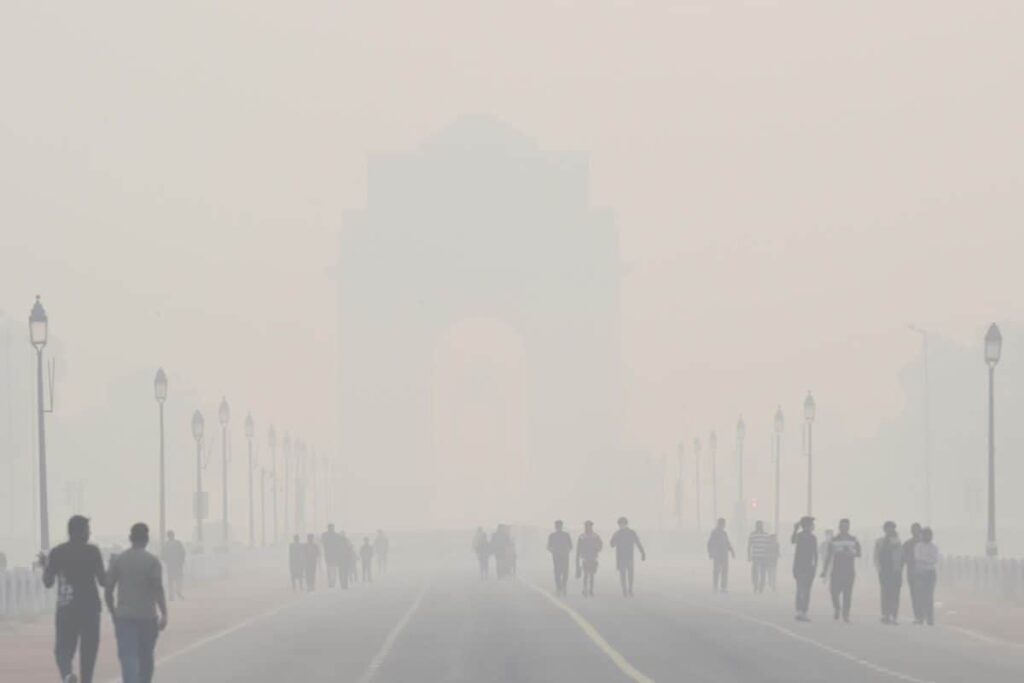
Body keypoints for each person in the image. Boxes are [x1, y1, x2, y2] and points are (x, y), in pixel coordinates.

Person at [40, 515, 106, 683]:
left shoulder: (57, 552)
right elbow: (103, 581)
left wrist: (45, 566)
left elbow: (48, 582)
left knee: (62, 650)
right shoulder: (92, 551)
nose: (89, 533)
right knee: (88, 651)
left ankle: (68, 674)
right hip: (90, 609)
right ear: (81, 532)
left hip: (66, 607)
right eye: (87, 530)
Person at [105, 523, 167, 683]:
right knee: (146, 657)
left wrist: (113, 612)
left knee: (128, 658)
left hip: (124, 617)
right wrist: (164, 613)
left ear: (130, 538)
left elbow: (108, 589)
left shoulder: (119, 560)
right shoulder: (152, 561)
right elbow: (158, 589)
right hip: (147, 616)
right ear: (146, 540)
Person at [820, 518, 861, 622]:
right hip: (836, 570)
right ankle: (837, 607)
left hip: (849, 571)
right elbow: (828, 556)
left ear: (849, 527)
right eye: (842, 526)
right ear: (839, 527)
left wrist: (850, 553)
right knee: (834, 591)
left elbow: (859, 553)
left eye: (846, 526)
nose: (844, 528)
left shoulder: (853, 540)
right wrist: (824, 570)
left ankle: (846, 614)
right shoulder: (834, 540)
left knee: (847, 594)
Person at [874, 521, 904, 624]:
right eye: (888, 528)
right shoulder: (880, 541)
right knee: (885, 592)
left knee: (895, 593)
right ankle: (885, 614)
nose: (890, 530)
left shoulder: (897, 541)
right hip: (884, 570)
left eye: (892, 528)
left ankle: (893, 615)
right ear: (884, 529)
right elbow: (876, 556)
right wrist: (879, 569)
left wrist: (899, 569)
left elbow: (900, 556)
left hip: (895, 570)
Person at [609, 516, 646, 597]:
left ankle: (627, 589)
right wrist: (642, 553)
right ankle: (627, 589)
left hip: (624, 557)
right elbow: (638, 543)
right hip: (626, 557)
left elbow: (611, 544)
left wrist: (642, 553)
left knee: (625, 574)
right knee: (628, 574)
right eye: (620, 524)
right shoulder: (630, 532)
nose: (621, 525)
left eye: (621, 524)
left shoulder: (619, 533)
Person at [791, 516, 817, 621]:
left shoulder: (813, 538)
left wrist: (815, 566)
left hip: (809, 567)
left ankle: (804, 611)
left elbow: (815, 554)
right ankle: (799, 610)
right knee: (801, 589)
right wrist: (795, 529)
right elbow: (792, 541)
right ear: (806, 526)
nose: (812, 526)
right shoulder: (800, 536)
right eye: (811, 524)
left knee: (807, 590)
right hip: (799, 566)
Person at [913, 527, 939, 626]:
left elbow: (935, 559)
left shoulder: (934, 547)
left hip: (930, 573)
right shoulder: (918, 546)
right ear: (921, 536)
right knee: (919, 596)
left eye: (929, 535)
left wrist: (925, 560)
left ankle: (930, 619)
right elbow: (918, 558)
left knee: (929, 597)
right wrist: (928, 560)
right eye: (925, 535)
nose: (927, 537)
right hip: (920, 573)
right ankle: (920, 618)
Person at [707, 518, 735, 593]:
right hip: (717, 555)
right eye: (723, 524)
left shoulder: (724, 533)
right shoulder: (714, 532)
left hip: (724, 554)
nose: (724, 525)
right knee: (716, 571)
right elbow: (710, 543)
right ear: (720, 524)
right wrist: (711, 553)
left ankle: (723, 587)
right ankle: (715, 586)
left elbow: (727, 542)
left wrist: (732, 550)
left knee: (724, 571)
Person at [576, 521, 603, 597]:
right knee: (586, 574)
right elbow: (579, 548)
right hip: (585, 558)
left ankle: (590, 589)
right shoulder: (582, 536)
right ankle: (586, 589)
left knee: (591, 575)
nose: (587, 527)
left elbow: (600, 545)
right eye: (586, 526)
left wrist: (597, 549)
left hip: (593, 557)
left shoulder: (595, 536)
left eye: (588, 526)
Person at [903, 523, 923, 624]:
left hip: (923, 572)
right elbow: (903, 558)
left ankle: (923, 615)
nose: (915, 532)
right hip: (911, 572)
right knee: (914, 595)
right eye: (914, 530)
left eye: (917, 530)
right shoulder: (907, 544)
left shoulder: (925, 543)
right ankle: (918, 616)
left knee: (923, 595)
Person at [547, 520, 573, 596]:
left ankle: (563, 586)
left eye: (559, 526)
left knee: (564, 572)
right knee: (558, 572)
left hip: (563, 555)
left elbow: (570, 545)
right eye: (557, 526)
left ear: (561, 526)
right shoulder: (552, 535)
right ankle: (559, 587)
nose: (558, 527)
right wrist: (552, 550)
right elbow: (548, 546)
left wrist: (567, 550)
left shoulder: (566, 535)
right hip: (557, 556)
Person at [161, 530, 186, 602]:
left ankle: (171, 595)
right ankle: (178, 592)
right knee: (179, 578)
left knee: (170, 580)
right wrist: (181, 561)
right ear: (173, 535)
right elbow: (183, 553)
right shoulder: (178, 543)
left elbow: (162, 555)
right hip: (177, 564)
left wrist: (166, 561)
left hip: (170, 565)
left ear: (168, 536)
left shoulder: (166, 545)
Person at [747, 521, 772, 593]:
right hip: (755, 556)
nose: (759, 527)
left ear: (762, 526)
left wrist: (769, 556)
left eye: (760, 526)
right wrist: (749, 556)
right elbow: (749, 545)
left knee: (763, 572)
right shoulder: (752, 534)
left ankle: (761, 587)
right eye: (758, 526)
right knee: (755, 572)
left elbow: (769, 546)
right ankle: (755, 585)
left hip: (764, 556)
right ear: (756, 526)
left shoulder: (766, 535)